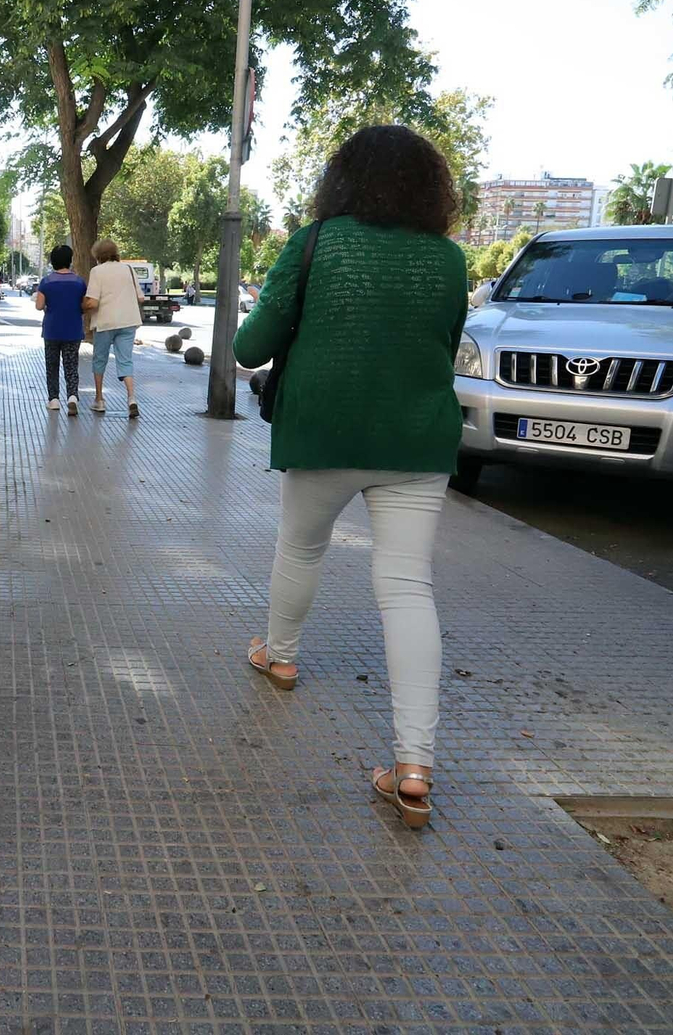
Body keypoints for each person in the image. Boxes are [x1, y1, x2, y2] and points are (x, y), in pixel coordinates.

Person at [232, 125, 469, 830]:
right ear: (433, 189)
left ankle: (279, 656)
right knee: (406, 586)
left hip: (323, 430)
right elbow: (441, 345)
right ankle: (415, 765)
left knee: (301, 547)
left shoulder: (314, 243)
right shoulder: (450, 260)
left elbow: (249, 347)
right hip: (418, 438)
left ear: (340, 180)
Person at [84, 239, 141, 418]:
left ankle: (99, 399)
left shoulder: (97, 271)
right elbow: (141, 298)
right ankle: (131, 398)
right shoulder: (129, 270)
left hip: (105, 322)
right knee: (126, 361)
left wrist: (81, 307)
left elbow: (93, 301)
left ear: (98, 255)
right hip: (128, 321)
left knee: (99, 360)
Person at [35, 244, 87, 416]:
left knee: (52, 365)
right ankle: (72, 396)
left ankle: (54, 400)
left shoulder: (46, 282)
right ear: (70, 260)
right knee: (71, 365)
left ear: (53, 261)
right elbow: (84, 305)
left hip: (52, 329)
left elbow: (39, 305)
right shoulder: (79, 282)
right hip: (73, 329)